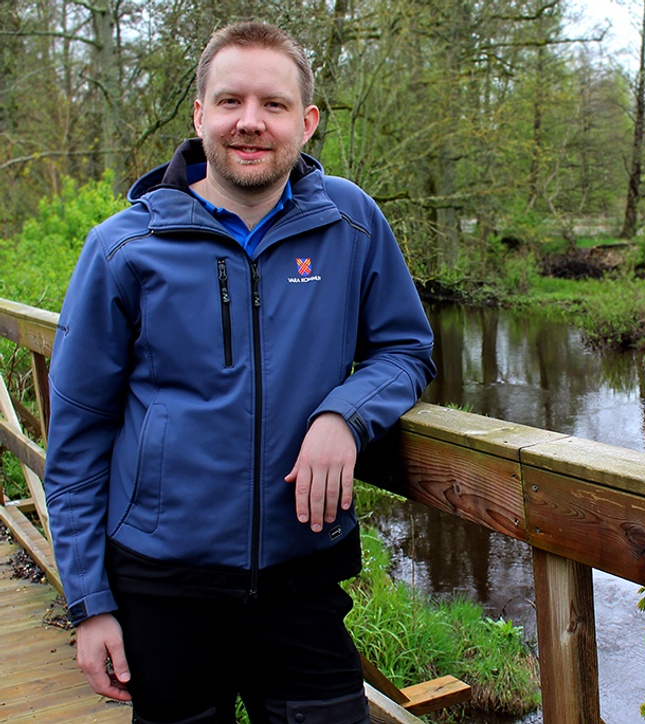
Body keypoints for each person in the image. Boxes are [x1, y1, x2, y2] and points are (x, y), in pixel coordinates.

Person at [42, 20, 435, 724]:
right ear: (199, 115)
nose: (250, 123)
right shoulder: (122, 249)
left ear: (307, 122)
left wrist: (342, 414)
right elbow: (76, 443)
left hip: (304, 583)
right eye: (230, 102)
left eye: (274, 105)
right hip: (162, 590)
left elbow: (405, 349)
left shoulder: (351, 223)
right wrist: (90, 604)